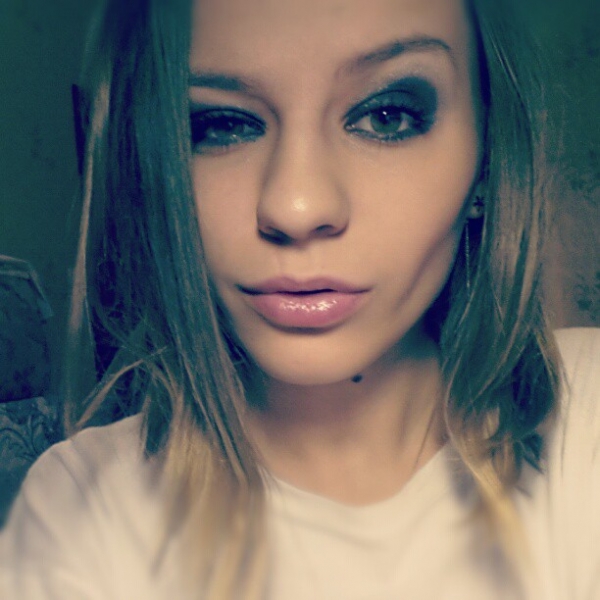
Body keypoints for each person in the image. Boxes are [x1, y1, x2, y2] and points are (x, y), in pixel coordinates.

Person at [1, 0, 599, 598]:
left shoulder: (585, 414)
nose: (296, 206)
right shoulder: (82, 510)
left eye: (387, 116)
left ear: (486, 164)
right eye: (221, 125)